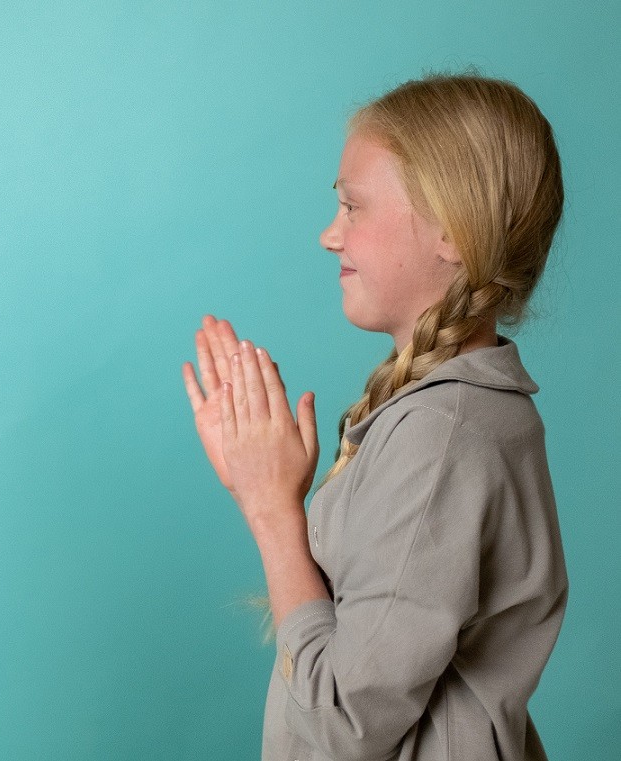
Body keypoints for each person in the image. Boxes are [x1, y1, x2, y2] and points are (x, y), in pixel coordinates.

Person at [182, 74, 567, 760]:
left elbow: (340, 728)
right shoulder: (451, 416)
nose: (331, 235)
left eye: (352, 206)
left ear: (452, 230)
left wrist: (272, 508)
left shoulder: (440, 437)